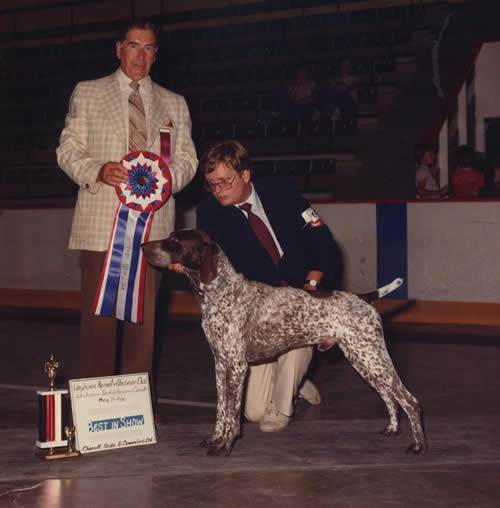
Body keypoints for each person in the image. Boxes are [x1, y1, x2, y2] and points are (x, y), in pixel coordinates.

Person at [56, 18, 198, 399]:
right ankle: (95, 408)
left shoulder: (175, 103)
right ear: (119, 48)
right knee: (98, 322)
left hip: (154, 228)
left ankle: (133, 411)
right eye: (134, 46)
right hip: (102, 223)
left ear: (156, 53)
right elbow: (68, 150)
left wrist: (166, 179)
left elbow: (187, 160)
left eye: (149, 48)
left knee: (144, 323)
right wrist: (98, 170)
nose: (141, 55)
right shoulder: (87, 93)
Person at [195, 140, 339, 433]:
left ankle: (285, 404)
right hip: (259, 312)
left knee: (272, 413)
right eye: (212, 184)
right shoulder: (210, 212)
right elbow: (208, 265)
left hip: (301, 295)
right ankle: (297, 381)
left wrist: (314, 291)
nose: (218, 190)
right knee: (254, 413)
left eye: (224, 181)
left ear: (245, 175)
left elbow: (322, 241)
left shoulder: (280, 191)